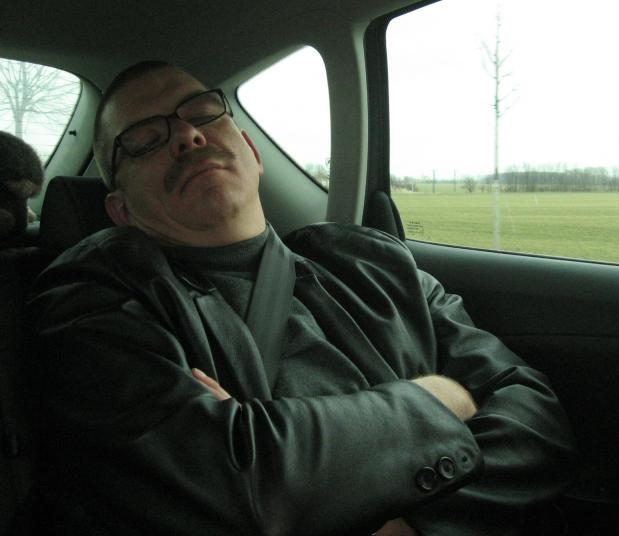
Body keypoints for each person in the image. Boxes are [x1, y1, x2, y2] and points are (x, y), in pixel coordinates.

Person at [27, 60, 577, 535]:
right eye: (144, 138)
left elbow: (534, 415)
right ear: (121, 209)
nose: (187, 136)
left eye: (202, 112)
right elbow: (230, 487)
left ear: (250, 150)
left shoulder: (375, 262)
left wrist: (417, 524)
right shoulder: (90, 296)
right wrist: (439, 399)